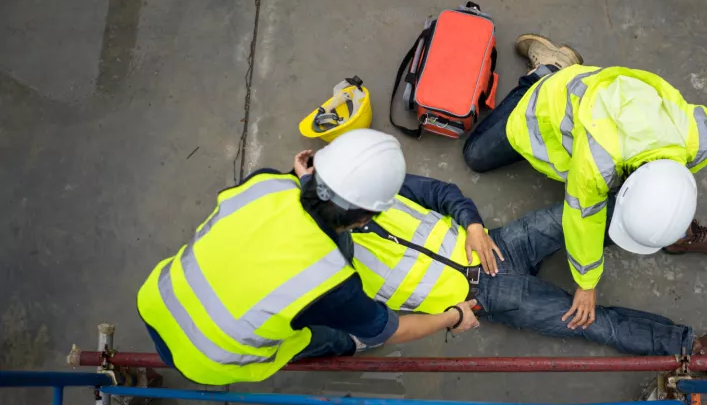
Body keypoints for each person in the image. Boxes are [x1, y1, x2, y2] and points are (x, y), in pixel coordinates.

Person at [135, 129, 479, 386]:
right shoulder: (331, 281)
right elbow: (391, 331)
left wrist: (304, 183)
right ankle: (347, 344)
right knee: (330, 335)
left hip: (158, 298)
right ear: (365, 218)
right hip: (208, 358)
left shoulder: (265, 182)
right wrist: (453, 316)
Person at [313, 165, 707, 372]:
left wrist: (472, 226)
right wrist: (453, 317)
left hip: (497, 243)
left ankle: (671, 232)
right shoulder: (330, 279)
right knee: (592, 323)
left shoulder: (366, 187)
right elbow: (371, 331)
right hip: (487, 299)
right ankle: (696, 347)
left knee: (582, 215)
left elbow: (440, 192)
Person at [463, 34, 707, 330]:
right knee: (476, 156)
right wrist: (587, 283)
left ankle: (681, 233)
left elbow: (673, 187)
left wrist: (671, 219)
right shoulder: (596, 163)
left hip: (603, 110)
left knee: (648, 207)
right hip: (546, 107)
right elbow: (583, 219)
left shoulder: (700, 140)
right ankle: (548, 70)